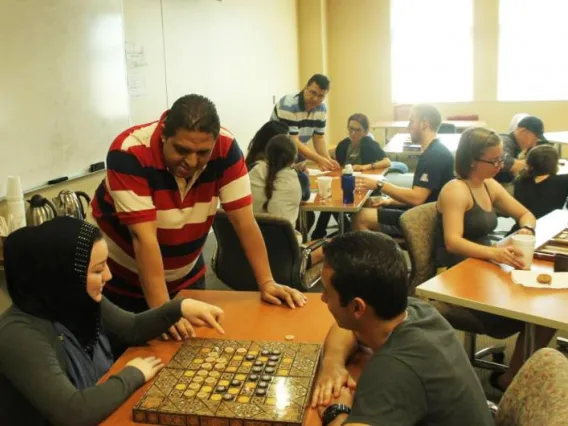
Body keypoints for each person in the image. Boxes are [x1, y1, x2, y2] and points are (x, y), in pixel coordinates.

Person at [91, 94, 307, 343]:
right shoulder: (130, 152)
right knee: (138, 358)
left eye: (203, 153)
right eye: (182, 150)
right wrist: (164, 313)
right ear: (164, 135)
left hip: (186, 276)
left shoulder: (225, 149)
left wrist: (267, 282)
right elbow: (144, 238)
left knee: (194, 354)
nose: (192, 162)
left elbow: (244, 222)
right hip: (124, 279)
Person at [0, 217, 225, 426]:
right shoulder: (18, 334)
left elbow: (132, 328)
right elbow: (72, 411)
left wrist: (180, 307)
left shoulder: (75, 299)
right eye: (98, 270)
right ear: (62, 275)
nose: (108, 275)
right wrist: (131, 375)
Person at [310, 232, 494, 426]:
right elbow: (347, 329)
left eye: (327, 291)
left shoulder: (393, 371)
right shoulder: (418, 310)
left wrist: (336, 412)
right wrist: (333, 364)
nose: (322, 298)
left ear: (357, 307)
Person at [435, 127, 555, 391]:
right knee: (535, 311)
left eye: (502, 159)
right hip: (456, 274)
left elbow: (526, 214)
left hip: (483, 266)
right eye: (495, 161)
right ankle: (512, 379)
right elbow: (452, 242)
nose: (501, 165)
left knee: (545, 309)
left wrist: (526, 229)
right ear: (471, 162)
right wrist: (495, 253)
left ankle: (513, 377)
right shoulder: (456, 190)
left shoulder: (489, 185)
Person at [353, 104, 454, 237]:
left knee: (360, 217)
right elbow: (424, 195)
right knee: (369, 203)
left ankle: (377, 255)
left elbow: (417, 198)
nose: (408, 126)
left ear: (424, 124)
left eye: (412, 121)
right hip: (422, 210)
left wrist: (379, 184)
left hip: (424, 220)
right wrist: (390, 201)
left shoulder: (434, 156)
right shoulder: (434, 151)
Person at [311, 113, 394, 239]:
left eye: (358, 130)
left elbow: (387, 162)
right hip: (345, 182)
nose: (353, 133)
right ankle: (343, 229)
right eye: (351, 129)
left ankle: (319, 234)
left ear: (365, 131)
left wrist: (364, 167)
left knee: (332, 202)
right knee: (329, 198)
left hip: (364, 185)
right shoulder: (343, 144)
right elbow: (339, 166)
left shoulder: (370, 144)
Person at [271, 74, 339, 171]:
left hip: (295, 156)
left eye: (321, 96)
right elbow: (293, 140)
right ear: (306, 87)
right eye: (313, 93)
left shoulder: (322, 109)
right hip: (275, 155)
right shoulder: (288, 104)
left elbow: (319, 138)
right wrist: (319, 159)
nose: (315, 99)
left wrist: (327, 160)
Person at [511, 144, 568, 232]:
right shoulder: (563, 181)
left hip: (520, 229)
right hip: (549, 230)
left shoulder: (520, 180)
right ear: (554, 164)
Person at [496, 115, 549, 184]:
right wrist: (531, 164)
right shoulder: (504, 141)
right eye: (534, 139)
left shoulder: (517, 145)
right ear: (523, 131)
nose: (534, 145)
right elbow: (502, 159)